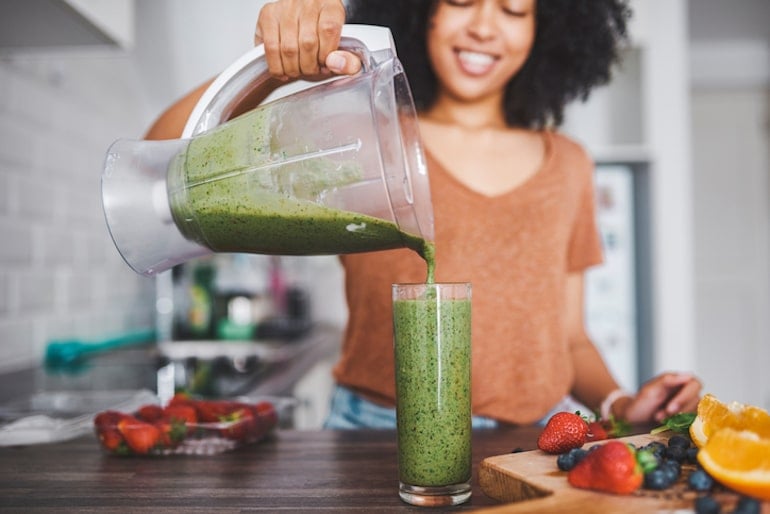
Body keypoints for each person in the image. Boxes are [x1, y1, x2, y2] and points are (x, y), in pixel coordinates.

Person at [147, 0, 702, 428]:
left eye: (513, 9)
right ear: (422, 11)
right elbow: (161, 163)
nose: (485, 27)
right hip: (373, 434)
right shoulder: (361, 132)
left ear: (547, 29)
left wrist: (621, 403)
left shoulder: (569, 165)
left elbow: (569, 337)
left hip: (539, 440)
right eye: (461, 1)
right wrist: (276, 67)